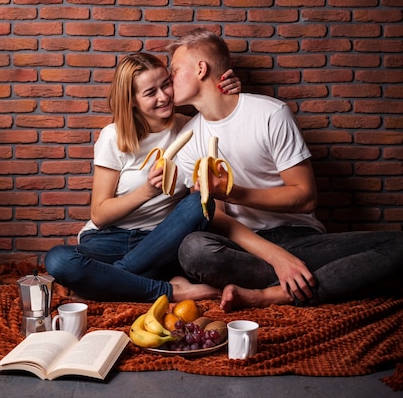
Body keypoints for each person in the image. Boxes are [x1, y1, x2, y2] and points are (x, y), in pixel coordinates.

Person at [168, 28, 403, 310]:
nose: (170, 81)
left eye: (174, 70)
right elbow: (217, 218)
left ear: (201, 69)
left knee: (399, 245)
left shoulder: (270, 114)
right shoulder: (189, 139)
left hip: (298, 237)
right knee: (192, 249)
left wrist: (233, 193)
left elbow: (305, 198)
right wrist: (276, 257)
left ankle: (272, 295)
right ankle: (315, 280)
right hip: (246, 247)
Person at [44, 51, 240, 302]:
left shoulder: (191, 127)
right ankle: (169, 290)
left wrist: (227, 91)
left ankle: (115, 278)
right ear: (132, 100)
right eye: (150, 93)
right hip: (108, 239)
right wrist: (147, 190)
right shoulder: (113, 136)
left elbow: (222, 114)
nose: (164, 96)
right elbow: (99, 215)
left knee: (200, 205)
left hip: (160, 241)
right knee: (59, 260)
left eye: (166, 84)